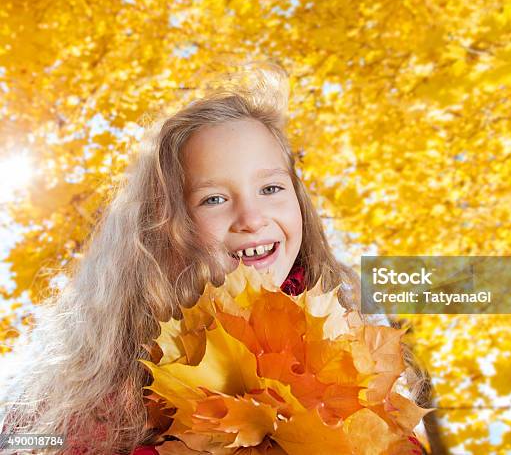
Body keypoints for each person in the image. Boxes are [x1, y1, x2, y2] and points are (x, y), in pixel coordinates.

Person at [0, 64, 426, 454]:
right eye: (214, 199)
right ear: (162, 228)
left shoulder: (356, 365)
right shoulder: (112, 393)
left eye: (271, 189)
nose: (252, 218)